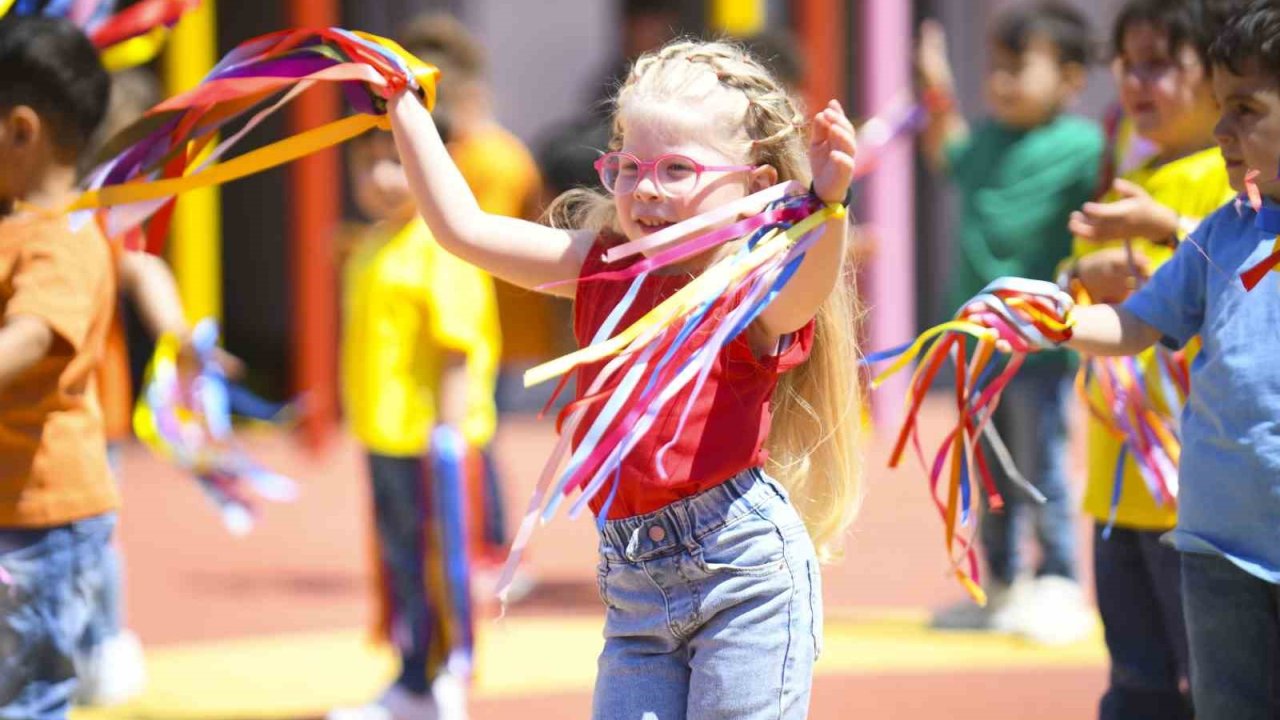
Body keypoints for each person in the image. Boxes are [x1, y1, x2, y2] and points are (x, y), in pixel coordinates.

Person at [388, 38, 862, 719]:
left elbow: (803, 296)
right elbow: (462, 229)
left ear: (756, 184)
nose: (645, 188)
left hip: (745, 579)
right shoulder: (600, 267)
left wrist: (828, 206)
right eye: (630, 166)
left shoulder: (747, 288)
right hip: (635, 591)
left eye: (676, 169)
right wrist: (404, 103)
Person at [1023, 3, 1280, 715]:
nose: (1226, 127)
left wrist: (1156, 230)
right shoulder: (1221, 229)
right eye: (1223, 108)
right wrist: (1061, 318)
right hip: (1211, 538)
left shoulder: (1203, 211)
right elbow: (1137, 323)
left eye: (1247, 109)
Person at [1062, 1, 1237, 715]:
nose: (1138, 81)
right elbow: (1080, 287)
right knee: (1136, 681)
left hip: (1192, 490)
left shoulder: (1223, 178)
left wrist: (1158, 238)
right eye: (1129, 64)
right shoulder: (1126, 180)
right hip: (1116, 484)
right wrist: (1073, 283)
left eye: (1161, 63)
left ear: (1214, 78)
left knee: (1215, 681)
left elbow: (1240, 279)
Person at [916, 1, 1102, 643]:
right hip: (975, 344)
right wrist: (936, 87)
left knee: (1041, 464)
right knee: (982, 470)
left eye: (1019, 68)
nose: (1000, 82)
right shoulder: (989, 140)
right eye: (995, 68)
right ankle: (999, 583)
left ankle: (1060, 581)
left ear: (1073, 78)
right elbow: (947, 153)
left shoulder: (1084, 146)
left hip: (1039, 347)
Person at [327, 120, 500, 720]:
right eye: (365, 163)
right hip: (383, 433)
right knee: (400, 561)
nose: (378, 178)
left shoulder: (440, 245)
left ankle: (447, 672)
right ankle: (412, 675)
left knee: (439, 560)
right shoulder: (372, 243)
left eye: (394, 161)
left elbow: (457, 348)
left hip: (431, 442)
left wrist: (449, 439)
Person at [0, 15, 117, 718]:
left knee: (30, 697)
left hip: (46, 521)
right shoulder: (19, 229)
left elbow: (30, 337)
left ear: (20, 130)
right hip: (17, 508)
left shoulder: (62, 241)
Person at [394, 14, 539, 576]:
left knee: (474, 436)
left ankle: (492, 547)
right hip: (448, 313)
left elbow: (483, 239)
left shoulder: (490, 157)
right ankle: (466, 543)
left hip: (485, 321)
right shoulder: (464, 150)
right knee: (466, 435)